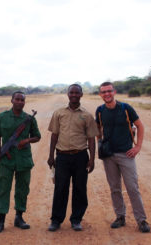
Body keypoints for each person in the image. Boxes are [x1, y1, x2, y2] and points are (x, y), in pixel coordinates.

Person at [95, 81, 151, 233]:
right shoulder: (99, 111)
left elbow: (140, 125)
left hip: (126, 154)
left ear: (114, 92)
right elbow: (98, 129)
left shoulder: (126, 108)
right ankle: (120, 217)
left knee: (132, 188)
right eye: (103, 92)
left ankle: (142, 220)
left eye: (109, 91)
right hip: (109, 156)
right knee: (115, 188)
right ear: (100, 95)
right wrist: (100, 144)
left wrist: (138, 146)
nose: (107, 94)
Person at [47, 84, 99, 232]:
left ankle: (76, 219)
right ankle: (56, 220)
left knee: (80, 189)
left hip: (80, 156)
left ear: (81, 94)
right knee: (60, 188)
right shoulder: (59, 113)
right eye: (72, 92)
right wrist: (51, 156)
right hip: (62, 156)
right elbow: (54, 135)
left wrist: (92, 159)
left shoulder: (87, 116)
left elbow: (91, 139)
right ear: (68, 94)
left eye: (77, 92)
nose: (74, 95)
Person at [0, 91, 41, 233]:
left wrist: (27, 140)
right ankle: (0, 220)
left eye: (22, 100)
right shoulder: (2, 117)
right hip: (6, 160)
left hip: (23, 159)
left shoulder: (29, 119)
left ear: (24, 102)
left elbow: (37, 136)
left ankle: (19, 218)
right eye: (17, 99)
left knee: (22, 189)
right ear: (11, 100)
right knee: (2, 188)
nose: (20, 102)